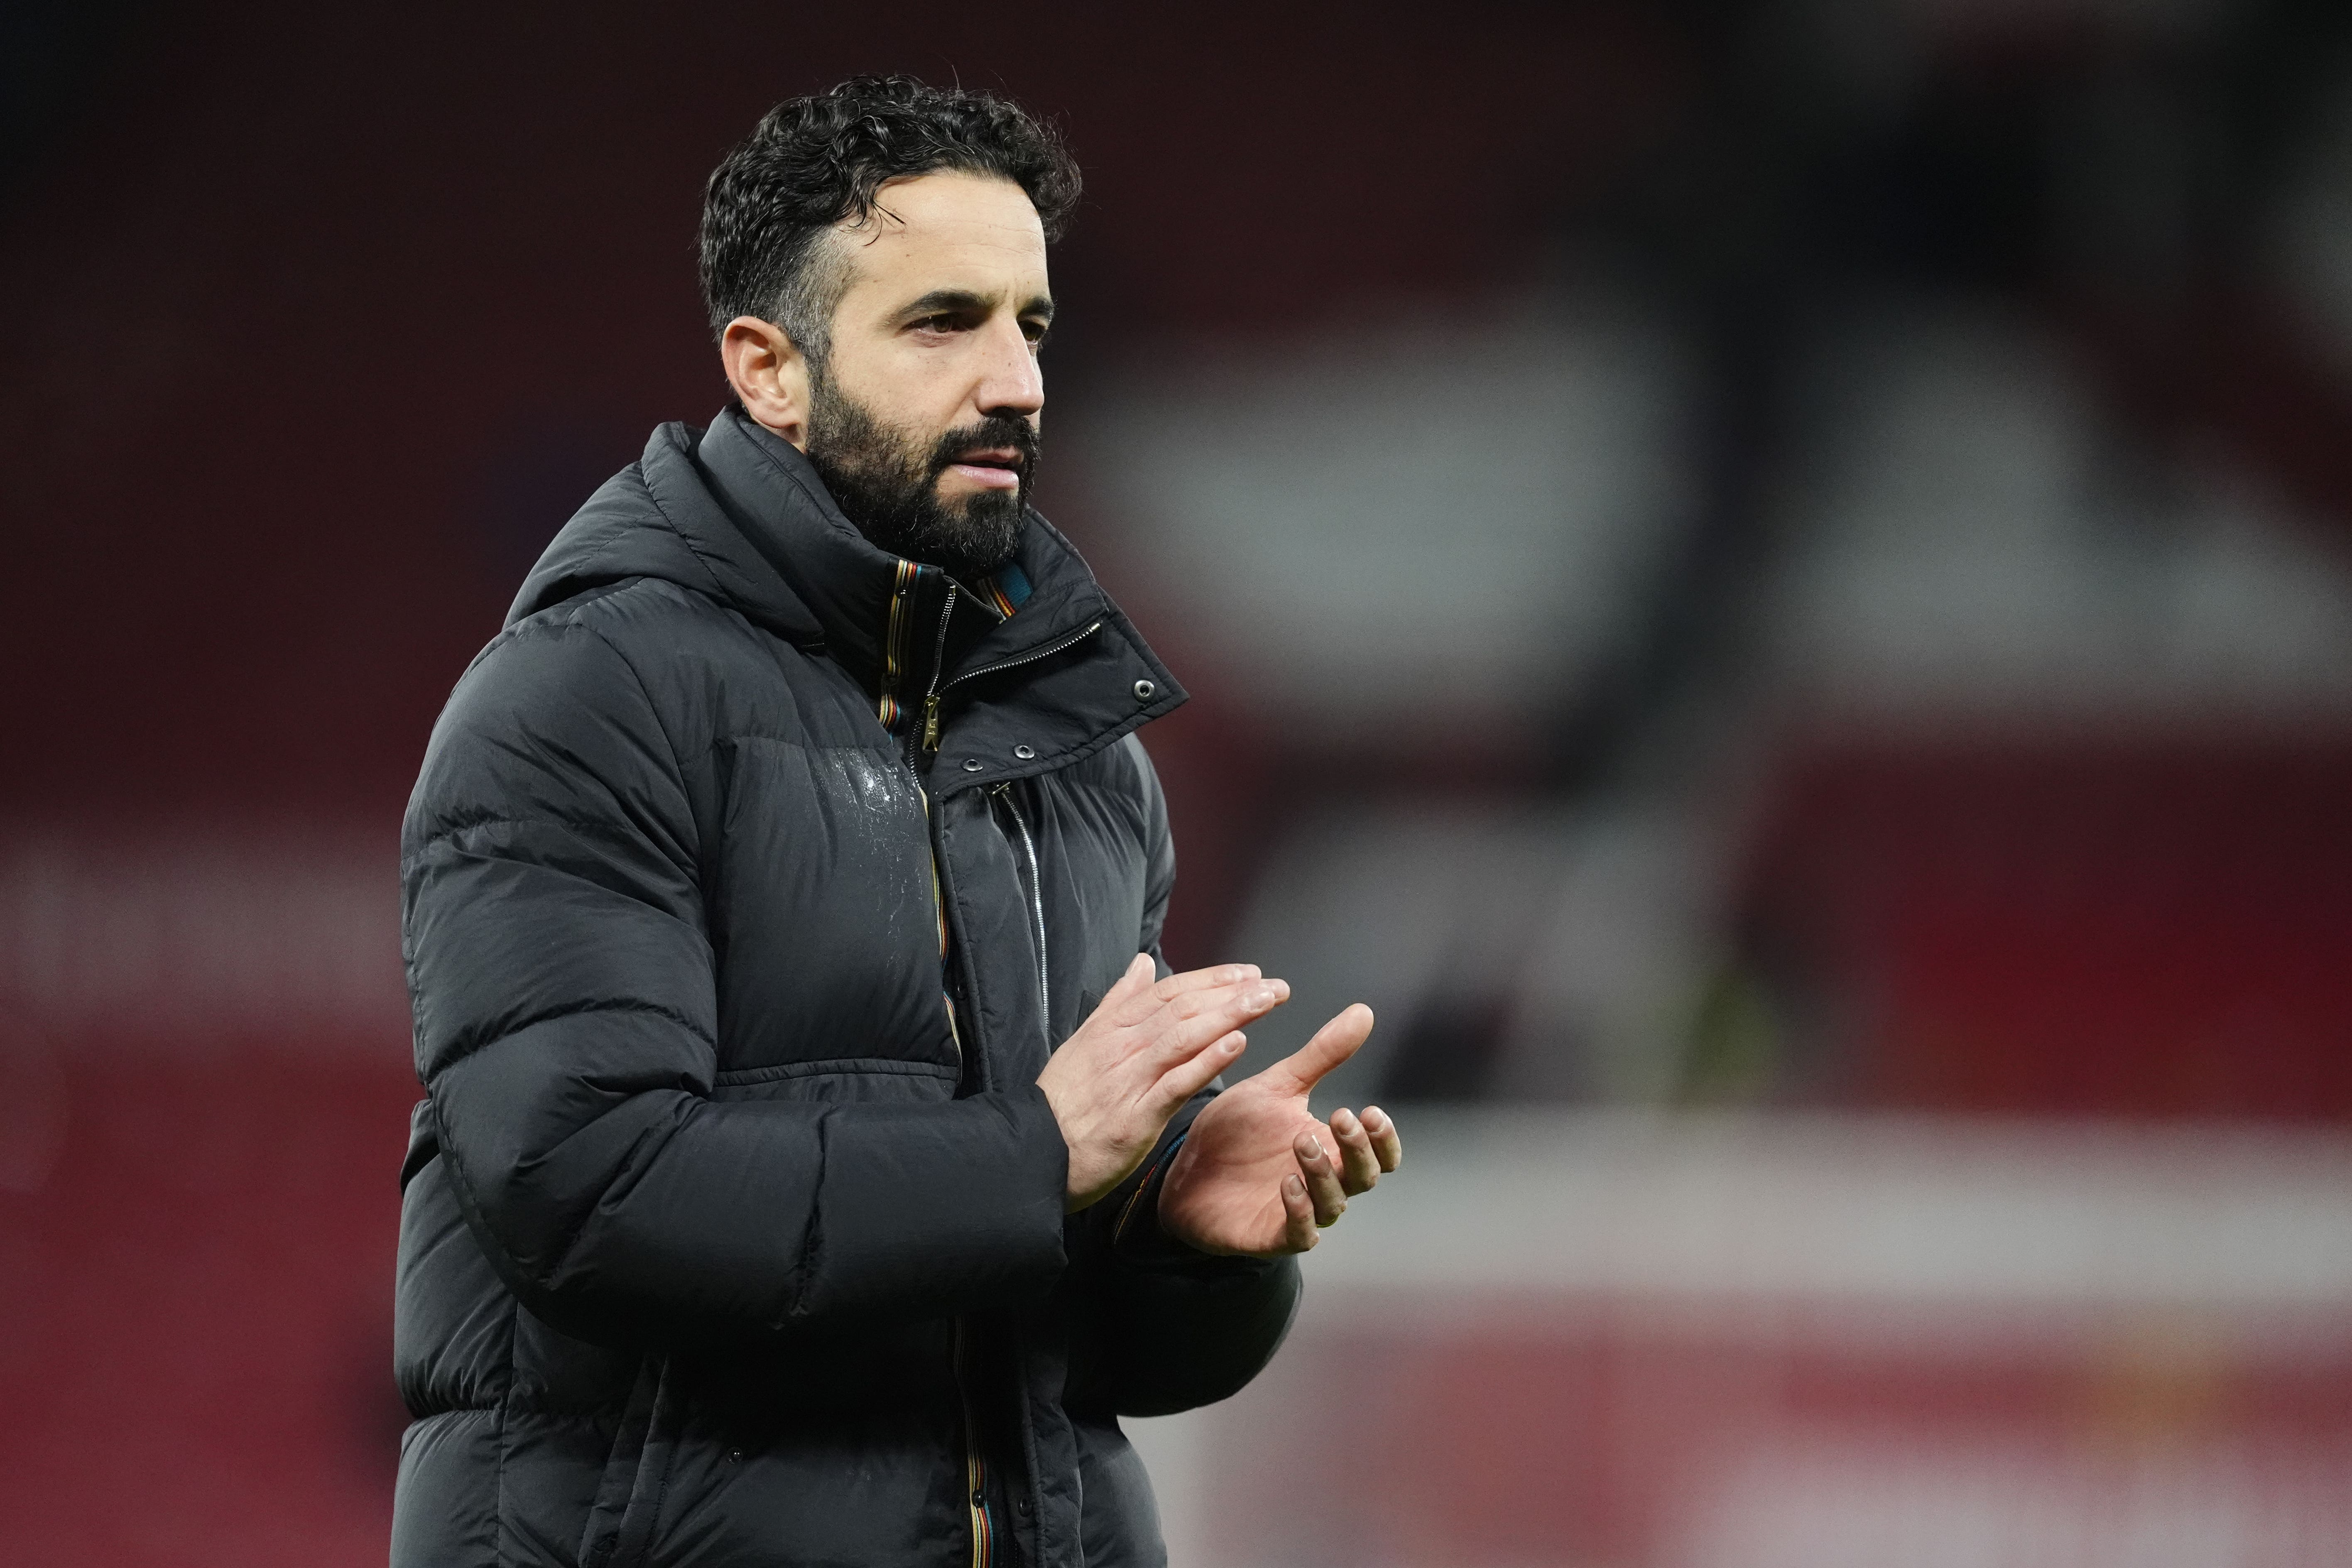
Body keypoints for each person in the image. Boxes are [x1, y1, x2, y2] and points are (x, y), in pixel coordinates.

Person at [392, 74, 1402, 1568]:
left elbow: (1061, 1352)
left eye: (1032, 326)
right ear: (768, 368)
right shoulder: (588, 699)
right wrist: (1040, 1158)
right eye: (944, 323)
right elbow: (587, 1192)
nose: (1018, 381)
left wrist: (1182, 1248)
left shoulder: (1084, 754)